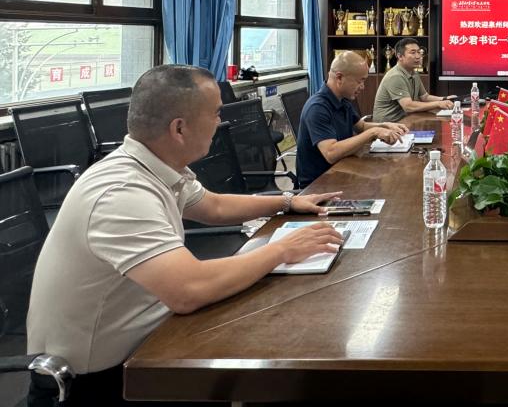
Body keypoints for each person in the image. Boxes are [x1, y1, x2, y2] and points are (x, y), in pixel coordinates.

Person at [26, 64, 346, 406]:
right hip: (99, 384)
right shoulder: (121, 192)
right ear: (179, 128)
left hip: (152, 344)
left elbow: (214, 206)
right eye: (216, 113)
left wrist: (287, 202)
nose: (220, 123)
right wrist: (281, 249)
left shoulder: (157, 166)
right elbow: (190, 290)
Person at [297, 50, 409, 187]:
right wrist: (373, 132)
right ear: (339, 78)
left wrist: (386, 125)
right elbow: (331, 153)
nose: (362, 87)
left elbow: (361, 126)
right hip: (319, 184)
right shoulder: (317, 108)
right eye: (360, 81)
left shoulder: (342, 99)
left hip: (342, 170)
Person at [372, 38, 455, 123]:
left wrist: (445, 99)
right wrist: (438, 104)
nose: (418, 56)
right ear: (400, 56)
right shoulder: (395, 76)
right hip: (388, 125)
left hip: (405, 120)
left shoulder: (414, 73)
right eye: (413, 52)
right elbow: (408, 106)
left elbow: (424, 97)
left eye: (418, 52)